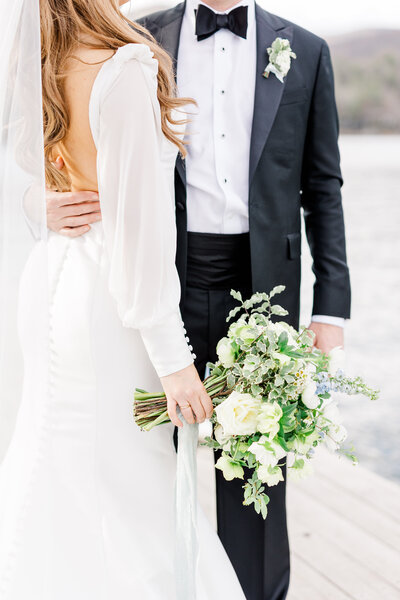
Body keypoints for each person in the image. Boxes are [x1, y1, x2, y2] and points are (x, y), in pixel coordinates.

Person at [45, 1, 351, 598]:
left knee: (257, 473)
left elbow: (323, 185)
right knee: (151, 465)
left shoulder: (307, 50)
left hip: (268, 292)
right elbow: (66, 140)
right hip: (160, 280)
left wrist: (331, 308)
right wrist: (41, 202)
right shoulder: (135, 38)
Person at [0, 0, 247, 598]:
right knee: (131, 488)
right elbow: (141, 233)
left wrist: (39, 202)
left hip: (52, 279)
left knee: (57, 459)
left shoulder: (44, 54)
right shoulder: (125, 65)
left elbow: (19, 162)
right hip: (110, 301)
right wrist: (175, 361)